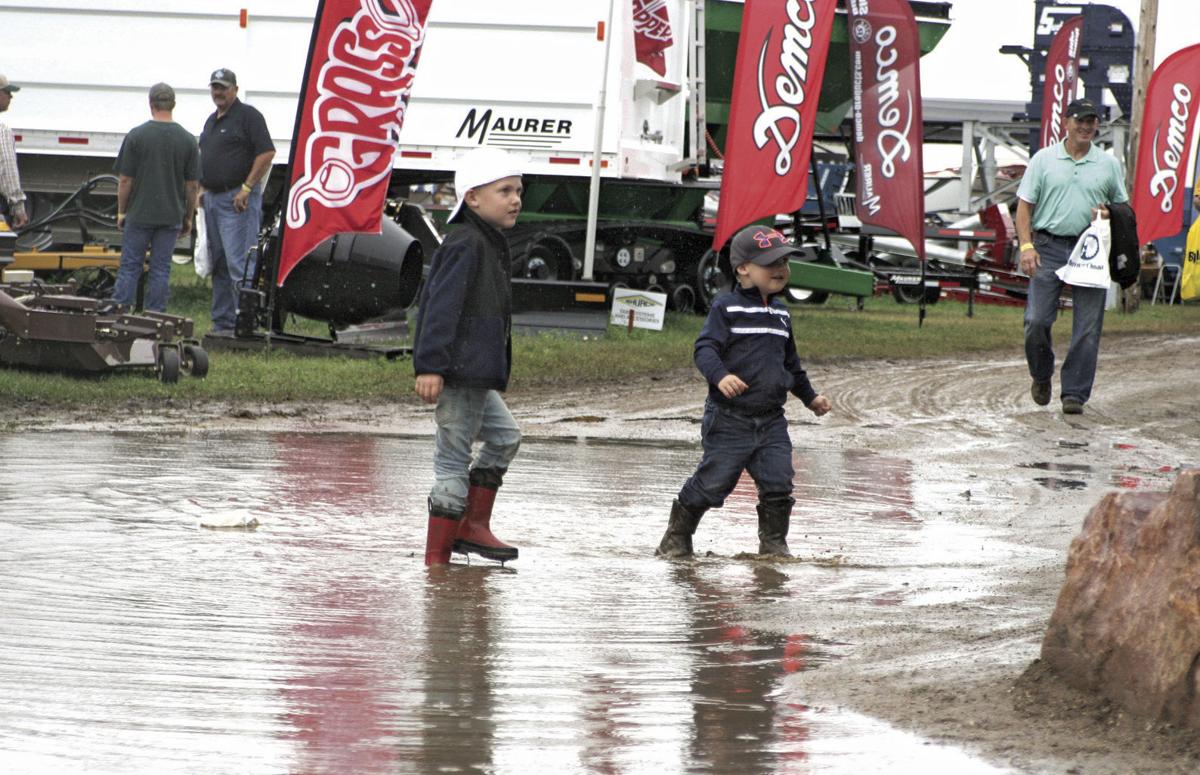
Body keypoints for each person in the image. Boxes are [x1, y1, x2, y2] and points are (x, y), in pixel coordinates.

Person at [657, 225, 832, 559]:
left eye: (785, 262)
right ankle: (676, 536)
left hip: (771, 422)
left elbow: (790, 365)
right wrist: (721, 376)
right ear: (743, 269)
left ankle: (774, 545)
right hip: (729, 419)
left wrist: (810, 398)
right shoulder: (727, 308)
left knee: (779, 481)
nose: (781, 269)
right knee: (713, 484)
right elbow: (705, 349)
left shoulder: (781, 313)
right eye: (772, 263)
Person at [413, 146, 525, 567]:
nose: (515, 199)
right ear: (472, 199)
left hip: (477, 374)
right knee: (453, 464)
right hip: (456, 374)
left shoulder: (490, 242)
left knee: (505, 437)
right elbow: (439, 307)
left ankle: (472, 527)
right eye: (505, 191)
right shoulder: (465, 243)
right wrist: (429, 366)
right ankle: (436, 564)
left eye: (518, 191)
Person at [1015, 97, 1129, 416]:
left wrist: (1109, 214)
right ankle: (1041, 374)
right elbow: (1024, 207)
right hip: (1049, 247)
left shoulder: (1107, 165)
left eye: (1091, 121)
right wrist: (1026, 246)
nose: (1086, 126)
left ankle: (1075, 393)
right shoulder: (1043, 160)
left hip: (1090, 249)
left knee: (1088, 326)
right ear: (1066, 123)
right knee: (1036, 321)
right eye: (1080, 120)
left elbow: (1123, 209)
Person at [198, 68, 275, 333]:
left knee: (239, 264)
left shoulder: (248, 117)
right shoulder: (212, 120)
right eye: (215, 87)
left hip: (236, 201)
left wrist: (247, 187)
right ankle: (223, 322)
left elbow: (266, 153)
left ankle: (245, 325)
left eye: (223, 87)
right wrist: (202, 187)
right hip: (212, 199)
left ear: (235, 89)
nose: (218, 92)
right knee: (218, 262)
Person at [112, 83, 200, 312]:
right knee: (161, 269)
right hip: (171, 216)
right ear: (173, 105)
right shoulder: (188, 140)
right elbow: (192, 186)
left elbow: (125, 181)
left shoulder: (136, 136)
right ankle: (155, 318)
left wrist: (122, 211)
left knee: (130, 266)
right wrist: (188, 217)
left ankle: (121, 315)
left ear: (151, 104)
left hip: (139, 214)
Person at [0, 73, 28, 230]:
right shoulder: (2, 132)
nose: (11, 97)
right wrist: (18, 207)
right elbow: (7, 170)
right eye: (7, 92)